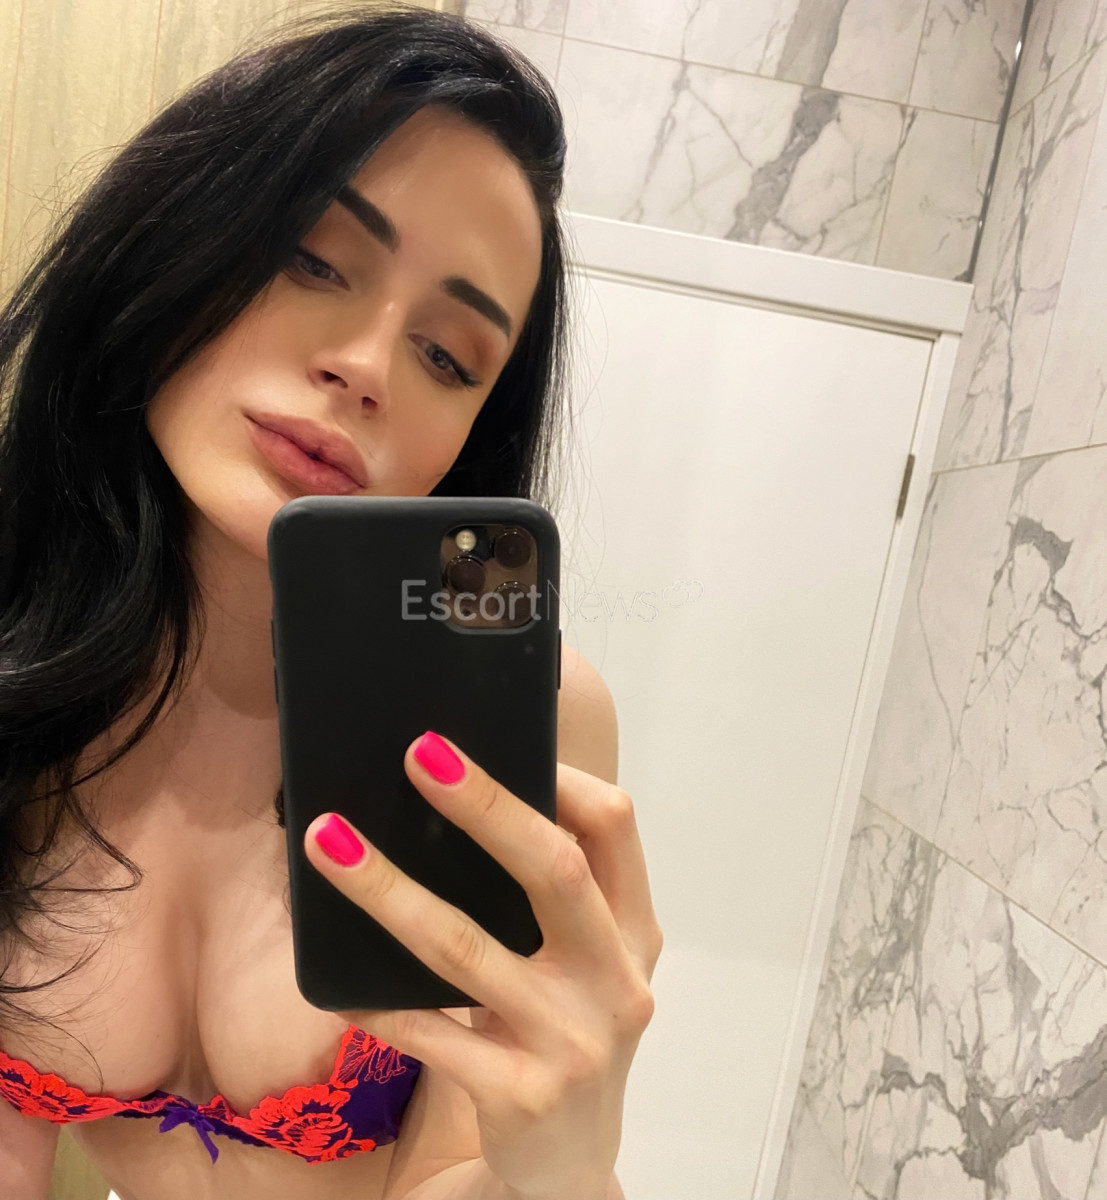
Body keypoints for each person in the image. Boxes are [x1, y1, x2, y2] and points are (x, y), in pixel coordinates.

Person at [0, 5, 662, 1198]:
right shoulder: (22, 641)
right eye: (312, 258)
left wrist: (564, 1167)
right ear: (184, 234)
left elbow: (452, 1173)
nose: (364, 366)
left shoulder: (531, 718)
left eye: (449, 356)